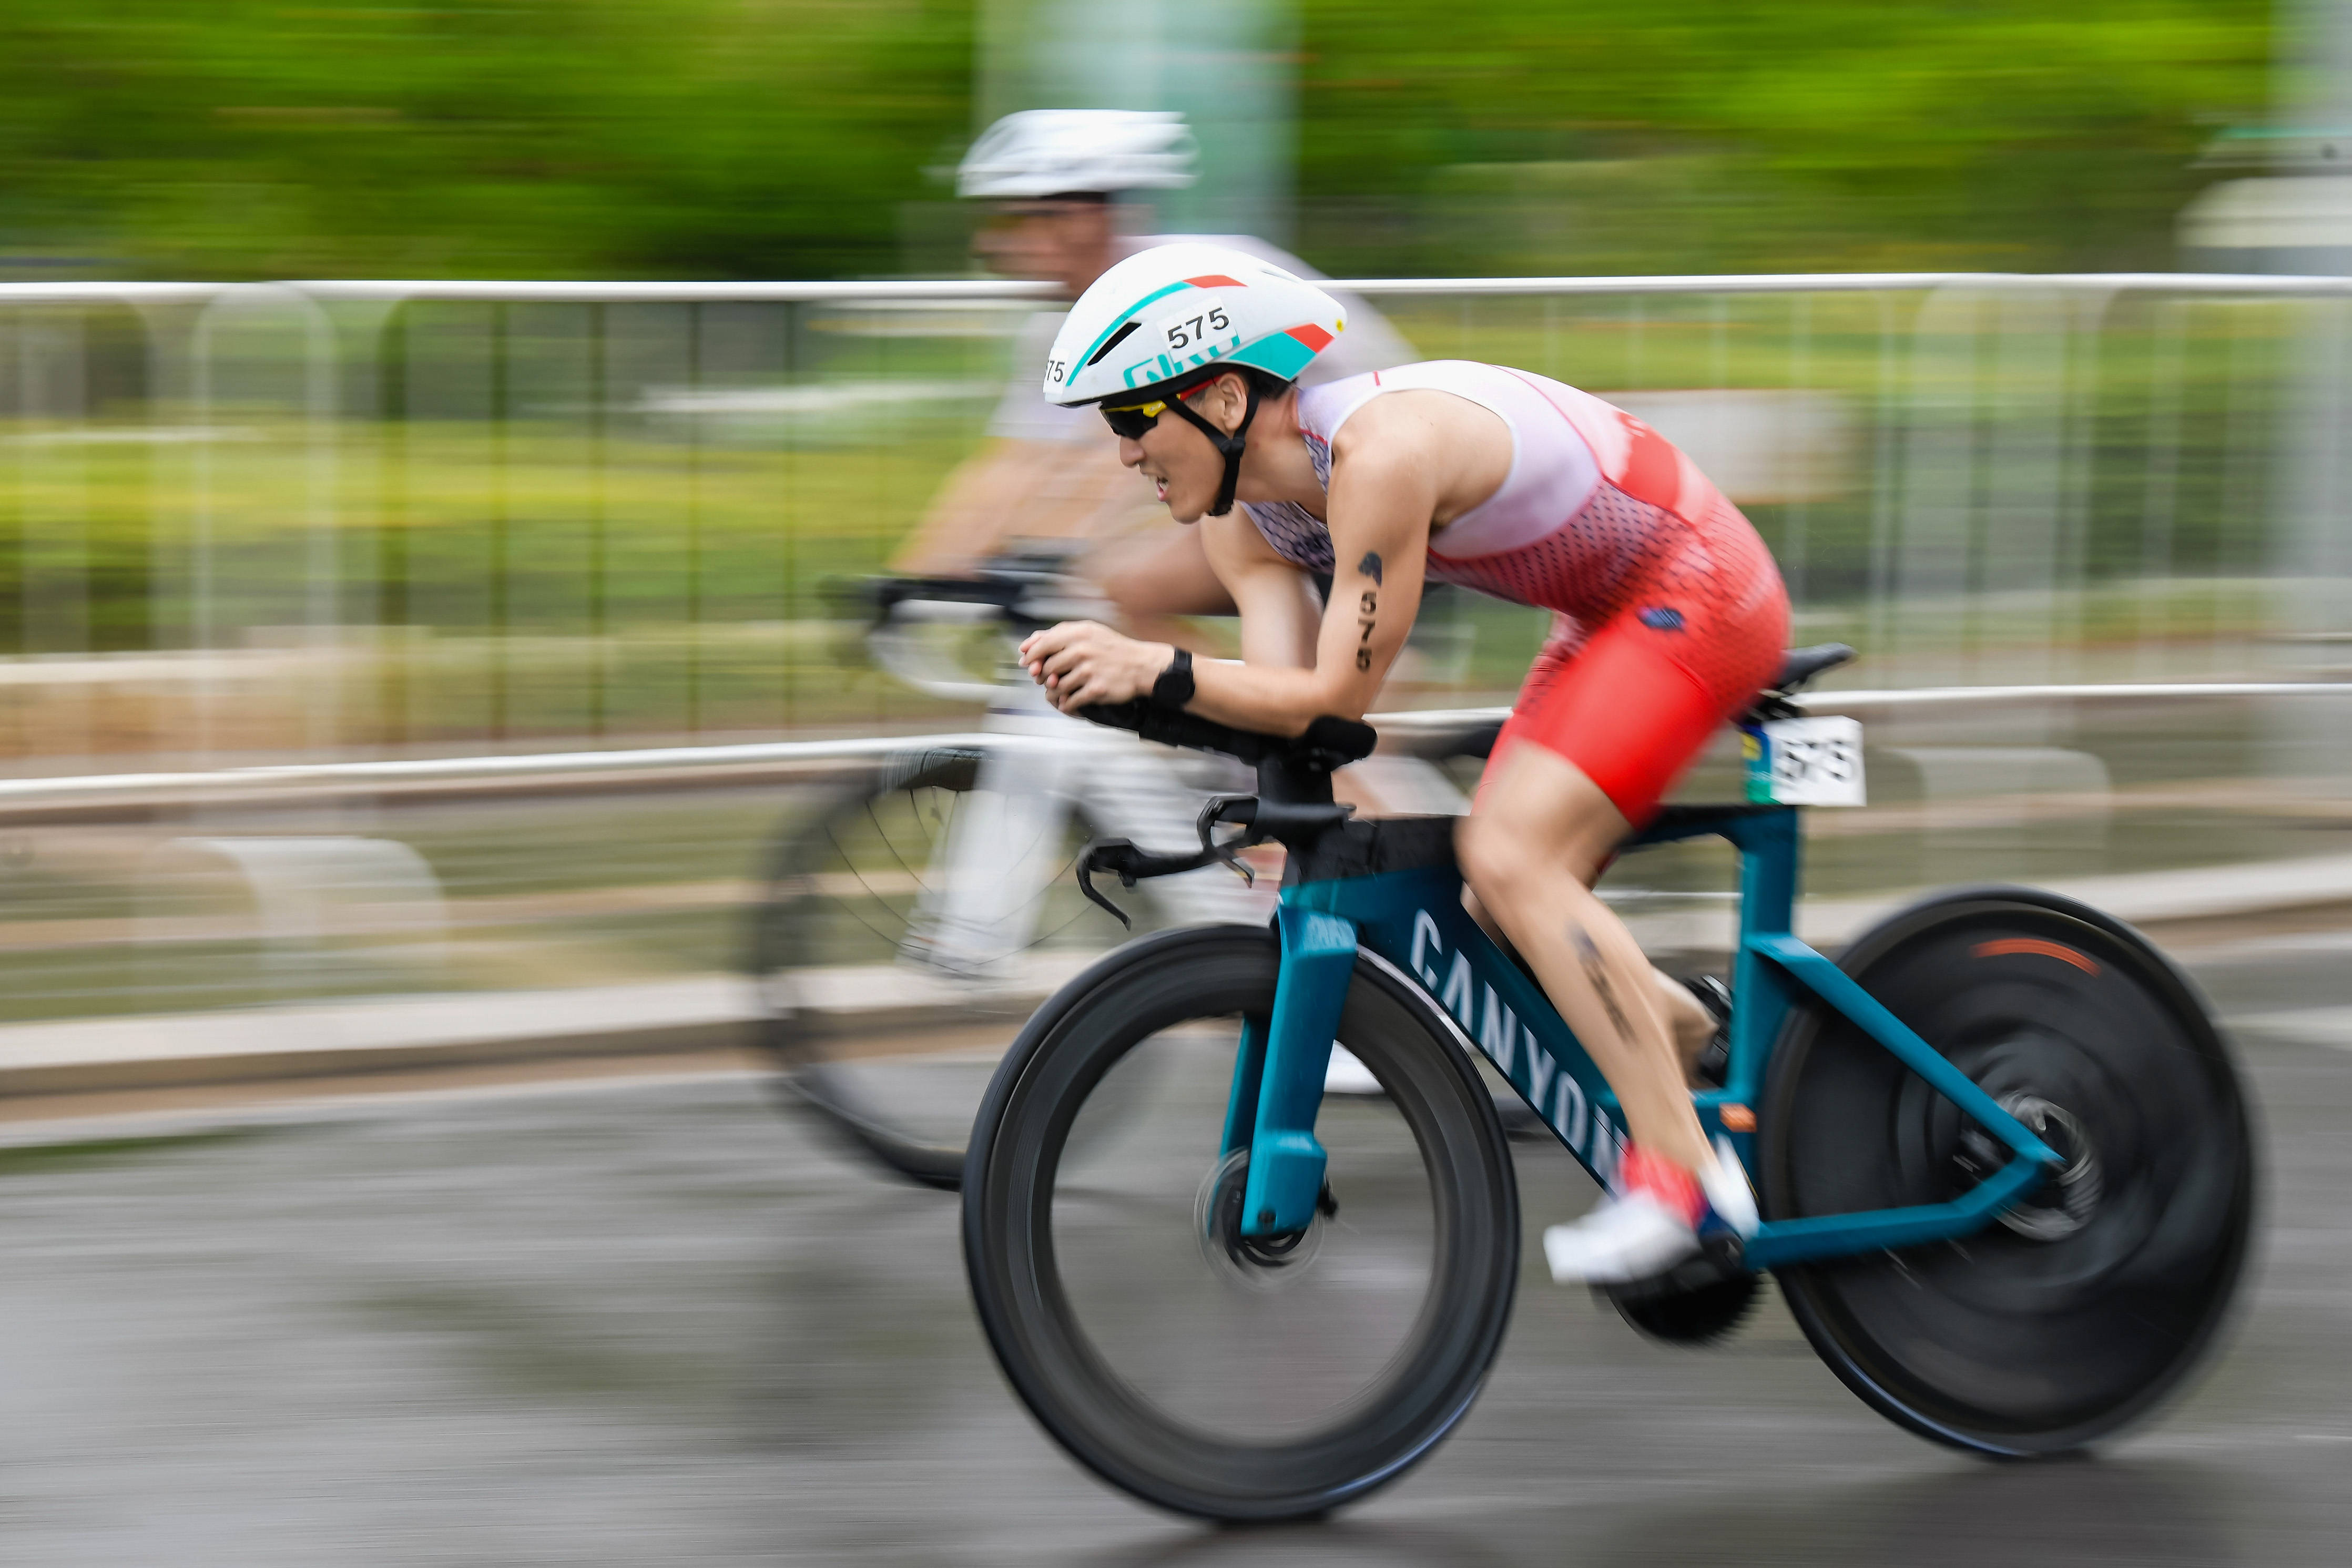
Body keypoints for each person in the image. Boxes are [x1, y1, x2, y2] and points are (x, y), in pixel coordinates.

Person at [1016, 242, 1789, 1283]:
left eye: (1131, 418)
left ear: (1224, 397)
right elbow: (1290, 715)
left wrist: (1156, 669)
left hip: (1696, 584)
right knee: (1486, 897)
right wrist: (1146, 700)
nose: (1122, 456)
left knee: (1514, 860)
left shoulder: (1380, 455)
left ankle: (1686, 1180)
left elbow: (1338, 695)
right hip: (1604, 611)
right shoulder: (1251, 524)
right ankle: (1697, 1029)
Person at [891, 110, 1412, 650]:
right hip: (1275, 484)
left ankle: (1272, 722)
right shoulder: (1067, 322)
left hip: (1362, 480)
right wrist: (920, 574)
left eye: (1023, 219)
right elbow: (1016, 461)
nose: (998, 243)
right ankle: (1257, 718)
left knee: (1124, 589)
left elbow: (1129, 449)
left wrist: (1047, 547)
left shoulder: (1176, 291)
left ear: (1088, 220)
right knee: (1114, 588)